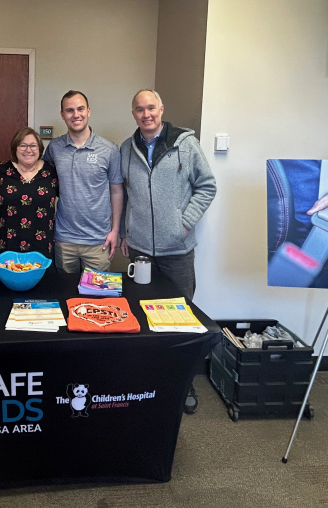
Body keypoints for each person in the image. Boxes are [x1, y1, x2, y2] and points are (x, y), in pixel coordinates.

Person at [119, 89, 216, 415]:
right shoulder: (126, 149)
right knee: (144, 316)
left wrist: (185, 222)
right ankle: (149, 379)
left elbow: (207, 185)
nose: (146, 114)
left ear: (161, 108)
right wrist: (123, 232)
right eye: (139, 109)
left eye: (151, 108)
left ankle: (183, 383)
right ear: (133, 113)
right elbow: (124, 193)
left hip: (177, 251)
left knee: (181, 319)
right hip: (140, 249)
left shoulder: (185, 145)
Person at [43, 90, 123, 273]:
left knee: (97, 298)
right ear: (62, 115)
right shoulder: (54, 148)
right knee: (65, 295)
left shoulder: (109, 150)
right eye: (69, 110)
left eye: (80, 109)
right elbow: (36, 173)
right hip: (64, 240)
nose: (76, 114)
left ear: (89, 111)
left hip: (98, 241)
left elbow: (117, 191)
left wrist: (115, 230)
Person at [0, 128, 58, 257]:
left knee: (43, 277)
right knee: (9, 277)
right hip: (8, 244)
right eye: (23, 145)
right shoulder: (1, 171)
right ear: (14, 148)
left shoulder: (52, 172)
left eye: (33, 145)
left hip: (43, 245)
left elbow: (70, 198)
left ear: (40, 148)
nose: (28, 150)